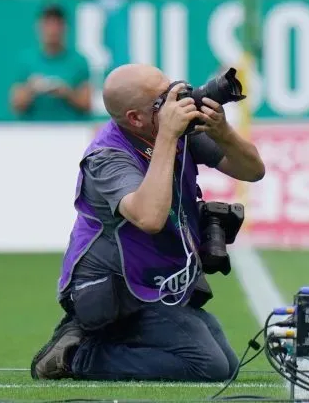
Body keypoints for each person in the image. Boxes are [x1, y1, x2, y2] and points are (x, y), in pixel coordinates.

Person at [30, 64, 266, 382]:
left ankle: (91, 339)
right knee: (207, 366)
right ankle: (76, 354)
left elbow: (253, 170)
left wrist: (223, 134)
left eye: (171, 89)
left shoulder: (173, 133)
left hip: (154, 283)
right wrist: (168, 135)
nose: (175, 102)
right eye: (162, 101)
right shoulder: (107, 157)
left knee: (225, 364)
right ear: (135, 118)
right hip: (114, 290)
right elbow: (150, 218)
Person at [9, 6, 92, 121]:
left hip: (70, 131)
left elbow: (87, 104)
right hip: (32, 131)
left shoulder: (79, 61)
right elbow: (16, 104)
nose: (52, 31)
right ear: (39, 28)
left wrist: (67, 92)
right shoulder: (26, 60)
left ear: (65, 28)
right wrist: (32, 88)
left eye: (57, 25)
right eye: (47, 25)